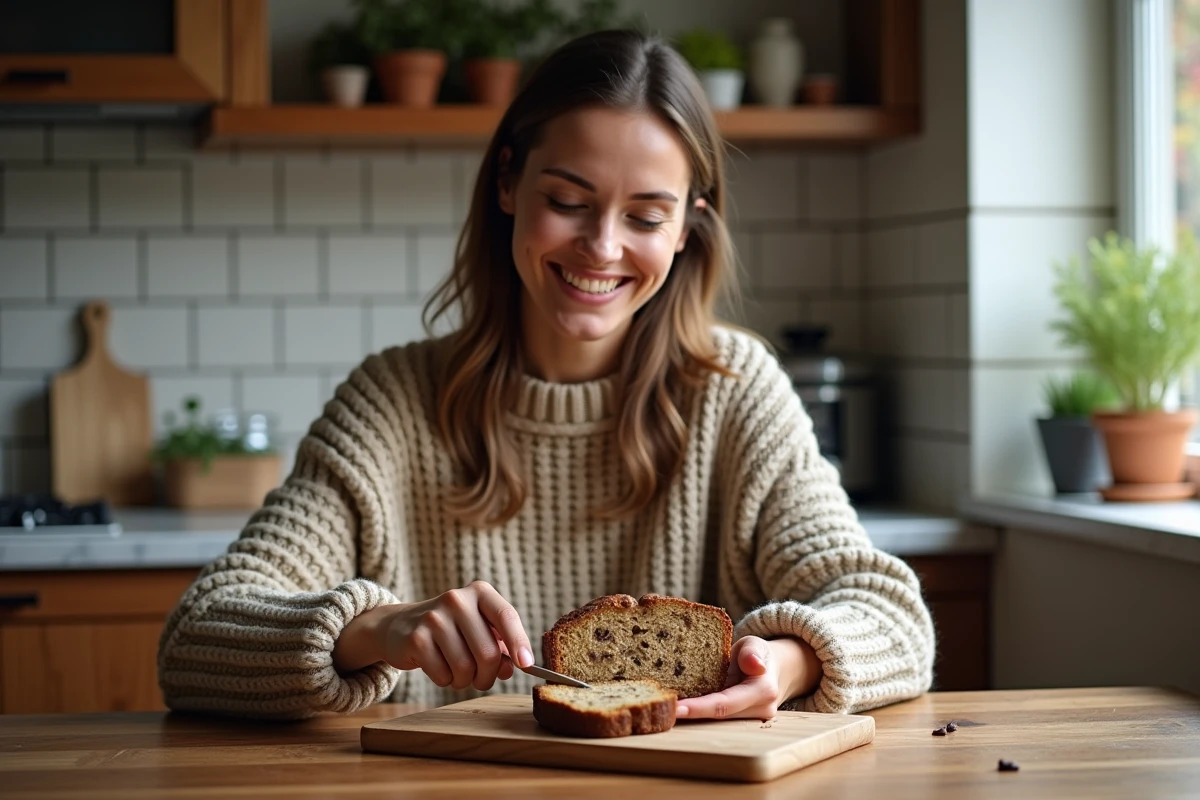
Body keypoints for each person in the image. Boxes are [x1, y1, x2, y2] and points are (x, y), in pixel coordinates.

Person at [157, 29, 934, 721]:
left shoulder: (735, 391)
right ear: (507, 185)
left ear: (689, 225)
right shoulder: (390, 405)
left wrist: (788, 664)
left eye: (645, 216)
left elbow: (893, 618)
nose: (601, 246)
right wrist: (376, 630)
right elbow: (197, 640)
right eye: (569, 200)